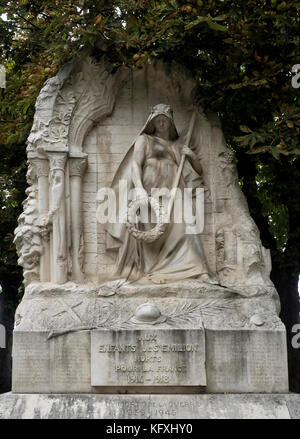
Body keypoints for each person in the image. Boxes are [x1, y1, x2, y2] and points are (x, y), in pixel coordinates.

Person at [105, 104, 217, 284]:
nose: (162, 123)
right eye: (159, 120)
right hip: (151, 192)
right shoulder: (145, 139)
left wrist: (192, 156)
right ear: (153, 122)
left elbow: (197, 171)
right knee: (152, 230)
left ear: (171, 122)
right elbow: (135, 164)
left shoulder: (177, 146)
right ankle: (153, 270)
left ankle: (200, 270)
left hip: (175, 190)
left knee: (188, 226)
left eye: (165, 120)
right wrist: (140, 189)